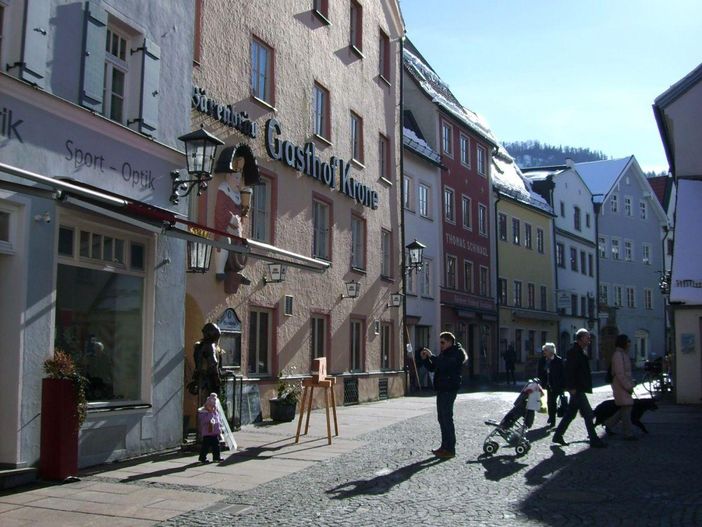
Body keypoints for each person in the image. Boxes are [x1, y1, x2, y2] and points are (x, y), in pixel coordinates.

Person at [552, 328, 607, 448]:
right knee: (588, 413)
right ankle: (594, 439)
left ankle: (557, 435)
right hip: (577, 388)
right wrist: (571, 387)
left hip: (578, 387)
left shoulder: (579, 351)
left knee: (570, 414)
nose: (589, 341)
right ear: (581, 338)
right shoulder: (574, 352)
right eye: (587, 338)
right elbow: (569, 371)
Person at [419, 332, 468, 459]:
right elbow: (434, 367)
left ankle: (450, 448)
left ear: (450, 342)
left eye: (443, 342)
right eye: (440, 342)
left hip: (449, 388)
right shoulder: (445, 353)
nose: (441, 345)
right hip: (442, 388)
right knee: (442, 418)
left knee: (446, 418)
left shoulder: (457, 353)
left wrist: (432, 356)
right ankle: (444, 446)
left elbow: (446, 365)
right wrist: (425, 360)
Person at [214, 144, 256, 285]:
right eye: (237, 178)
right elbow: (220, 209)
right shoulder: (223, 189)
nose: (239, 182)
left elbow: (241, 213)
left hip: (235, 230)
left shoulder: (238, 193)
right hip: (224, 228)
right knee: (223, 242)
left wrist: (241, 213)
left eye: (240, 178)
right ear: (230, 175)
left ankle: (236, 271)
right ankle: (220, 271)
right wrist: (231, 217)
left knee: (242, 245)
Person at [604, 334, 637, 440]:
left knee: (625, 407)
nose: (630, 343)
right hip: (620, 385)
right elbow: (620, 374)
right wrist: (628, 386)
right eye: (628, 341)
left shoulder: (622, 354)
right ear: (623, 342)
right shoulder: (618, 355)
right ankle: (628, 433)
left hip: (622, 384)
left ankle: (609, 424)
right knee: (626, 408)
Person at [193, 323, 223, 406]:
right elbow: (213, 363)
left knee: (202, 406)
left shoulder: (199, 346)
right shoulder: (210, 346)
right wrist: (217, 380)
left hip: (200, 379)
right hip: (209, 380)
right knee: (211, 407)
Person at [537, 342, 565, 429]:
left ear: (551, 351)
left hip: (556, 385)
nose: (544, 352)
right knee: (549, 403)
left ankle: (552, 419)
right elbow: (539, 372)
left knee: (552, 402)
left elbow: (563, 374)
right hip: (546, 385)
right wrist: (539, 381)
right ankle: (552, 417)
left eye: (545, 350)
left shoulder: (559, 360)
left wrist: (563, 385)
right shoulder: (542, 360)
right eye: (544, 350)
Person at [198, 393, 224, 463]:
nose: (212, 408)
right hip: (207, 433)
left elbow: (218, 420)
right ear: (206, 405)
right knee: (205, 446)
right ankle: (202, 458)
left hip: (215, 433)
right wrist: (209, 413)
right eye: (210, 406)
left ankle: (216, 457)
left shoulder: (215, 412)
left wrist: (220, 428)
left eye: (214, 406)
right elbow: (204, 421)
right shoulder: (204, 412)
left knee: (216, 446)